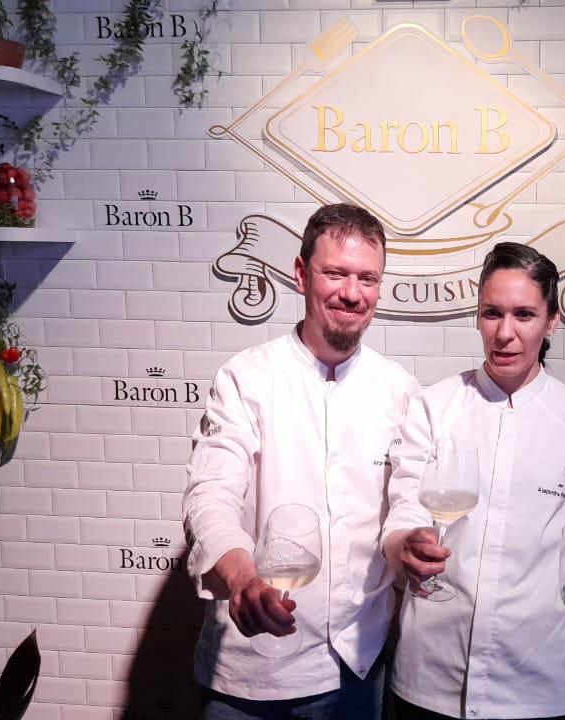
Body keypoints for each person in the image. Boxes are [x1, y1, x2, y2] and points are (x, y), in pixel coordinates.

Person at [183, 203, 419, 719]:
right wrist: (243, 578)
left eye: (367, 279)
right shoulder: (245, 378)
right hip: (248, 676)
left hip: (357, 670)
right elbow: (210, 495)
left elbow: (407, 506)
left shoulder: (400, 389)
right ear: (300, 274)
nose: (352, 293)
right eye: (335, 273)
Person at [381, 242, 565, 720]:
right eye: (492, 313)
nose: (505, 333)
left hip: (544, 680)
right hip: (432, 676)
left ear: (552, 321)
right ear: (478, 316)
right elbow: (403, 510)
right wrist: (406, 543)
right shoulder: (434, 407)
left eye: (524, 314)